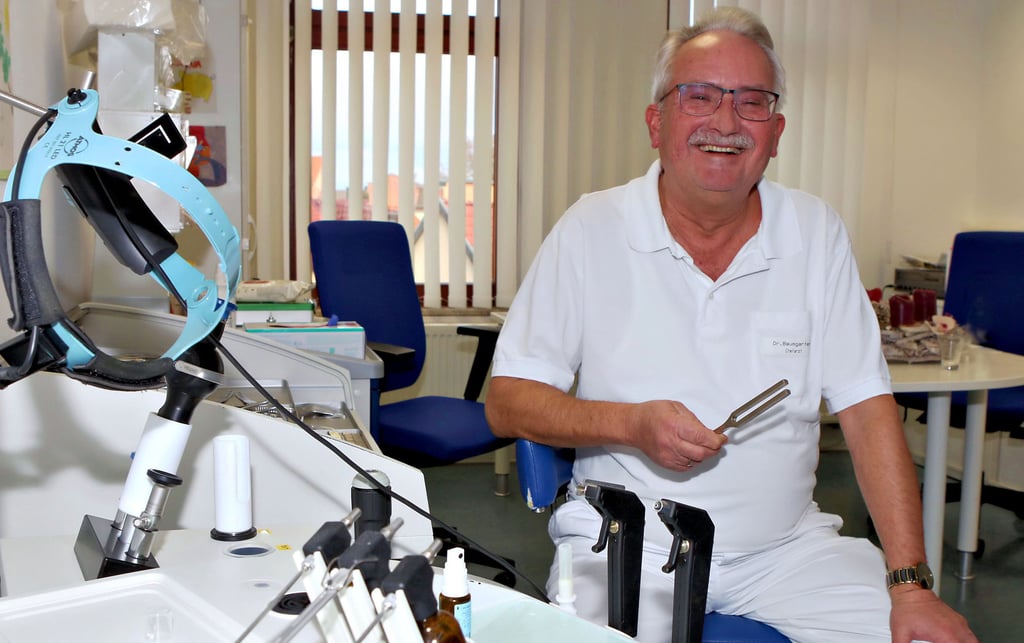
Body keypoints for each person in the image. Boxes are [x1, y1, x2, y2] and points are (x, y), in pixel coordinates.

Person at [484, 7, 976, 643]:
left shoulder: (814, 231)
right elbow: (507, 402)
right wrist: (630, 425)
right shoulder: (591, 229)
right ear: (656, 122)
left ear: (775, 132)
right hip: (630, 537)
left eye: (751, 102)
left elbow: (866, 406)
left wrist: (910, 584)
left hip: (788, 550)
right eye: (700, 96)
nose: (725, 121)